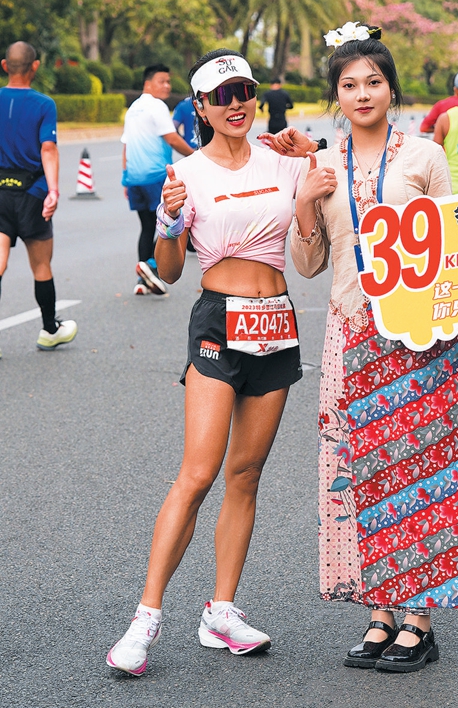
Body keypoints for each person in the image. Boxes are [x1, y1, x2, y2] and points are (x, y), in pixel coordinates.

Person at [263, 24, 458, 674]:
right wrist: (305, 207)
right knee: (360, 471)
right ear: (336, 96)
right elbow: (309, 264)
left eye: (373, 81)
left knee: (423, 473)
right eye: (349, 84)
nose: (362, 92)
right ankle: (379, 611)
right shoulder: (321, 165)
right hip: (350, 336)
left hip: (420, 339)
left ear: (391, 87)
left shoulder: (423, 156)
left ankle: (420, 620)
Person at [107, 49, 324, 677]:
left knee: (246, 473)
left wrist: (314, 152)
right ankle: (145, 619)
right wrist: (171, 219)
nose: (236, 104)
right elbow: (170, 273)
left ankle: (220, 610)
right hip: (217, 326)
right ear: (199, 108)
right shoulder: (188, 173)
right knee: (198, 473)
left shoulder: (285, 162)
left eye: (245, 91)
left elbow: (327, 223)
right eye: (221, 95)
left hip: (278, 324)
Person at [0, 42, 77, 349]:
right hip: (33, 192)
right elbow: (48, 147)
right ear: (35, 67)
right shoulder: (44, 104)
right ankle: (49, 330)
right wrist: (54, 190)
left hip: (0, 194)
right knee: (41, 265)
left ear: (6, 66)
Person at [121, 64, 194, 296]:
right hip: (155, 177)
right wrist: (198, 157)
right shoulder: (157, 106)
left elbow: (126, 146)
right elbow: (172, 139)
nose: (167, 86)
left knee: (146, 228)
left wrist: (125, 178)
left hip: (134, 178)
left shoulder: (132, 109)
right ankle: (151, 266)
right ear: (148, 83)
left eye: (168, 82)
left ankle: (142, 281)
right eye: (162, 81)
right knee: (169, 225)